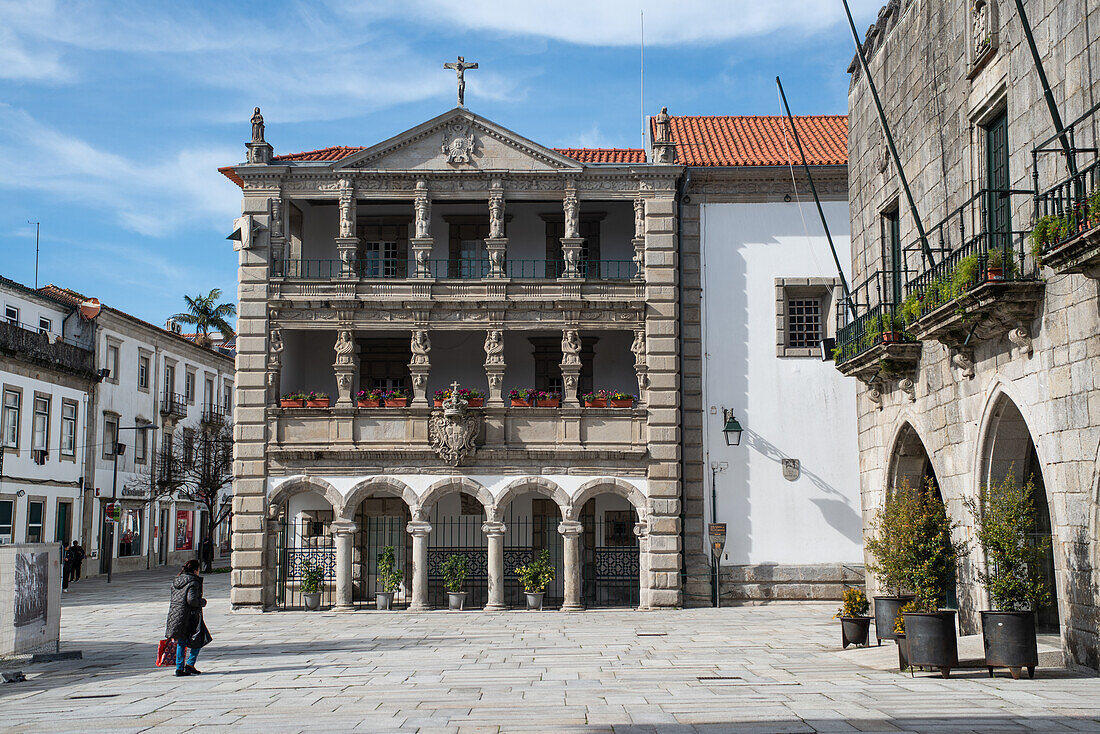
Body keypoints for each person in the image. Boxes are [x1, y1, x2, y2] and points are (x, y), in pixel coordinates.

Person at [165, 560, 211, 677]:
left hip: (175, 614)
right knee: (200, 638)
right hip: (189, 616)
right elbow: (191, 600)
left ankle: (179, 668)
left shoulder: (176, 580)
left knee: (181, 641)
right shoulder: (193, 582)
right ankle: (190, 664)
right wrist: (202, 602)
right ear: (195, 570)